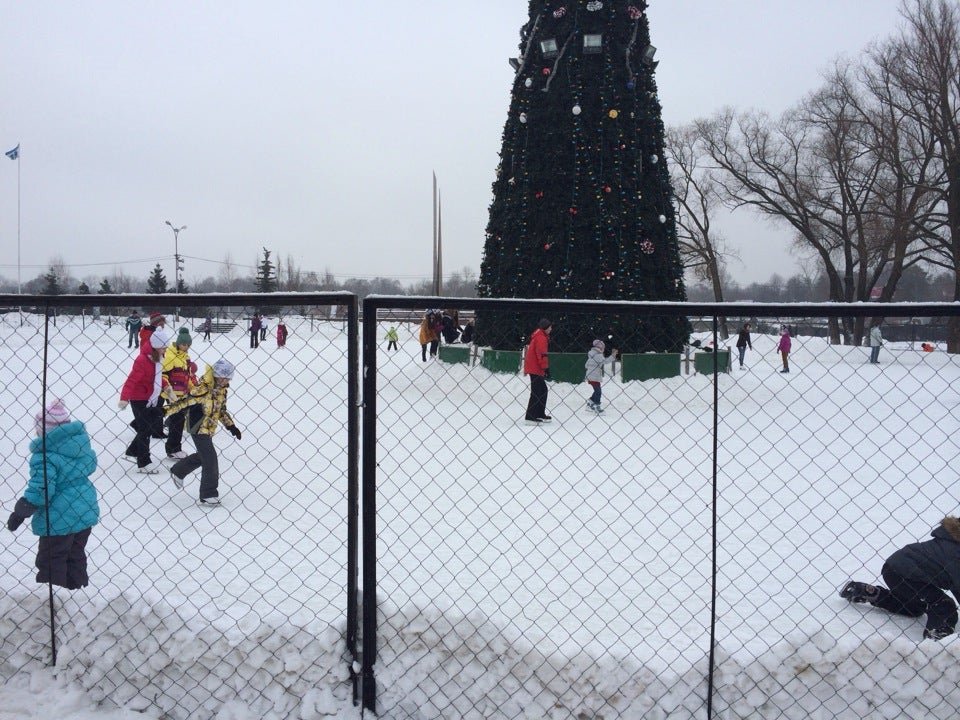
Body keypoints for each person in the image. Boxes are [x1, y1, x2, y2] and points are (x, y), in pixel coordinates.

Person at [6, 399, 100, 590]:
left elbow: (42, 489)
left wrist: (21, 511)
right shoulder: (80, 446)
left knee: (51, 559)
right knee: (75, 555)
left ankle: (53, 599)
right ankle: (76, 594)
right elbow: (90, 466)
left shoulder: (44, 456)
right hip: (85, 511)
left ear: (44, 431)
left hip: (58, 518)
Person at [840, 516, 960, 640]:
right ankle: (936, 641)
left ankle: (872, 593)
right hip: (905, 574)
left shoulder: (949, 540)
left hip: (896, 571)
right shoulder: (954, 552)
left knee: (915, 608)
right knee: (943, 605)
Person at [166, 359, 242, 505]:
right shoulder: (203, 388)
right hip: (198, 427)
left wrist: (231, 426)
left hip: (209, 428)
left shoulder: (222, 390)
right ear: (215, 374)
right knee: (210, 459)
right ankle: (208, 494)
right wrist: (163, 411)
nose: (225, 379)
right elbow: (184, 402)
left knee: (204, 456)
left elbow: (221, 411)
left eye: (228, 377)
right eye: (222, 376)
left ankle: (178, 470)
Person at [119, 328, 169, 473]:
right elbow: (131, 380)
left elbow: (157, 378)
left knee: (150, 423)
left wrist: (167, 388)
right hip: (138, 398)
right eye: (164, 346)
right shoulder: (142, 360)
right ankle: (143, 462)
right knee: (145, 430)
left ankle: (133, 450)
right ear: (156, 346)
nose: (166, 348)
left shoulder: (158, 359)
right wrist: (124, 398)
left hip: (150, 397)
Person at [161, 327, 195, 460]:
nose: (186, 347)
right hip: (173, 395)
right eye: (183, 344)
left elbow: (188, 376)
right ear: (178, 343)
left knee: (179, 421)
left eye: (188, 345)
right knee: (177, 421)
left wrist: (193, 388)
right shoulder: (170, 355)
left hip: (183, 394)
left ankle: (174, 448)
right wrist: (169, 391)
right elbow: (163, 374)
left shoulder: (185, 357)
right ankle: (173, 449)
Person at [524, 318, 552, 424]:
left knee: (542, 390)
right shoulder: (541, 338)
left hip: (535, 367)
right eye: (549, 327)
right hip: (535, 367)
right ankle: (530, 416)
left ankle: (539, 413)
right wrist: (545, 368)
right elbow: (541, 354)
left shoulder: (540, 336)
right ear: (545, 328)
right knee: (537, 391)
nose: (551, 329)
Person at [584, 339, 617, 413]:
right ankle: (597, 406)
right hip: (595, 377)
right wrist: (613, 356)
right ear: (600, 348)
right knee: (598, 391)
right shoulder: (598, 355)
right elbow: (605, 361)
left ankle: (590, 403)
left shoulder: (591, 354)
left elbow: (586, 365)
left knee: (596, 390)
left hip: (590, 376)